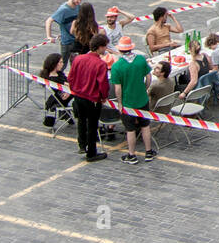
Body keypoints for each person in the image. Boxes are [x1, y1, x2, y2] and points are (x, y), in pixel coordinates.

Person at [110, 35, 155, 165]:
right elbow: (148, 77)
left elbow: (118, 88)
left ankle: (132, 154)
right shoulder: (141, 60)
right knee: (145, 126)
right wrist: (145, 88)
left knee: (130, 129)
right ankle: (148, 152)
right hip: (142, 99)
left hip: (128, 102)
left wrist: (119, 103)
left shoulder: (117, 66)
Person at [67, 34, 111, 162]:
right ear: (100, 47)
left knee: (81, 120)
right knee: (92, 125)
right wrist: (103, 96)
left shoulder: (78, 59)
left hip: (78, 96)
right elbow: (103, 84)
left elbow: (70, 77)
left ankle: (82, 144)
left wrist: (74, 89)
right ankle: (91, 152)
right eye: (104, 47)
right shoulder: (100, 64)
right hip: (92, 99)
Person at [46, 0, 85, 66]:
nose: (79, 2)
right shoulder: (63, 9)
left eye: (80, 0)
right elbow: (49, 21)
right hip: (67, 42)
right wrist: (49, 36)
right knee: (62, 64)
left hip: (76, 40)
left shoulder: (78, 7)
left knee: (76, 64)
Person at [40, 53, 72, 127]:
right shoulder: (53, 80)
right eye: (60, 62)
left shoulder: (58, 73)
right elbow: (63, 95)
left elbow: (67, 83)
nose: (62, 64)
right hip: (60, 99)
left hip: (64, 94)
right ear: (54, 64)